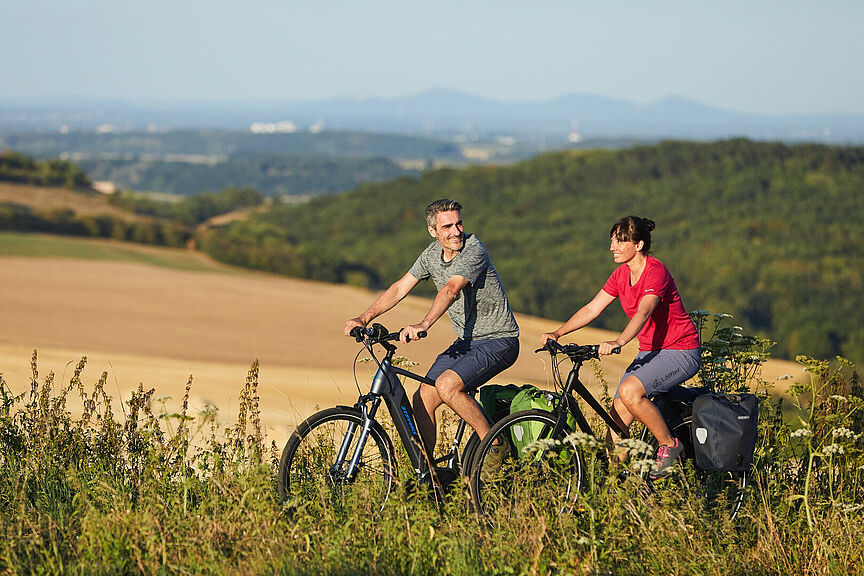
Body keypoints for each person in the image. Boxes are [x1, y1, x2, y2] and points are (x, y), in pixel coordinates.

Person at [345, 199, 520, 458]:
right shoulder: (430, 255)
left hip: (499, 340)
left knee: (447, 385)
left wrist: (424, 323)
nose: (456, 231)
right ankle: (427, 474)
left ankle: (495, 447)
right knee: (423, 396)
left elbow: (450, 289)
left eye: (458, 223)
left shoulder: (474, 250)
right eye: (447, 226)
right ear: (433, 231)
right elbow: (400, 287)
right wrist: (364, 318)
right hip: (467, 342)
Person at [540, 216, 701, 478]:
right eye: (612, 240)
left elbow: (644, 311)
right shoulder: (621, 274)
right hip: (651, 352)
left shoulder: (655, 271)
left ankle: (669, 445)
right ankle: (614, 483)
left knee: (629, 391)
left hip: (681, 350)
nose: (612, 247)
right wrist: (558, 332)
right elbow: (593, 308)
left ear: (638, 245)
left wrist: (619, 341)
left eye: (620, 241)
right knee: (616, 420)